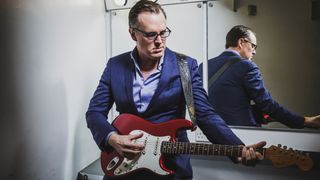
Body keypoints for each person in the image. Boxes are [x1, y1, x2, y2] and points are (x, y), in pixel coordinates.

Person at [86, 2, 265, 180]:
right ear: (133, 34)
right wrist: (112, 138)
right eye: (150, 34)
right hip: (124, 165)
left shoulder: (186, 66)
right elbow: (95, 112)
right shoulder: (115, 65)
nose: (159, 41)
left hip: (170, 167)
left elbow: (205, 115)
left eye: (163, 33)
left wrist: (238, 148)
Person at [199, 25, 320, 128]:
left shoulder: (203, 66)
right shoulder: (246, 66)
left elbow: (225, 104)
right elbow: (267, 104)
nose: (254, 52)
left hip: (211, 133)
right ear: (241, 42)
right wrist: (305, 121)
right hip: (243, 137)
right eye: (253, 46)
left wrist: (264, 116)